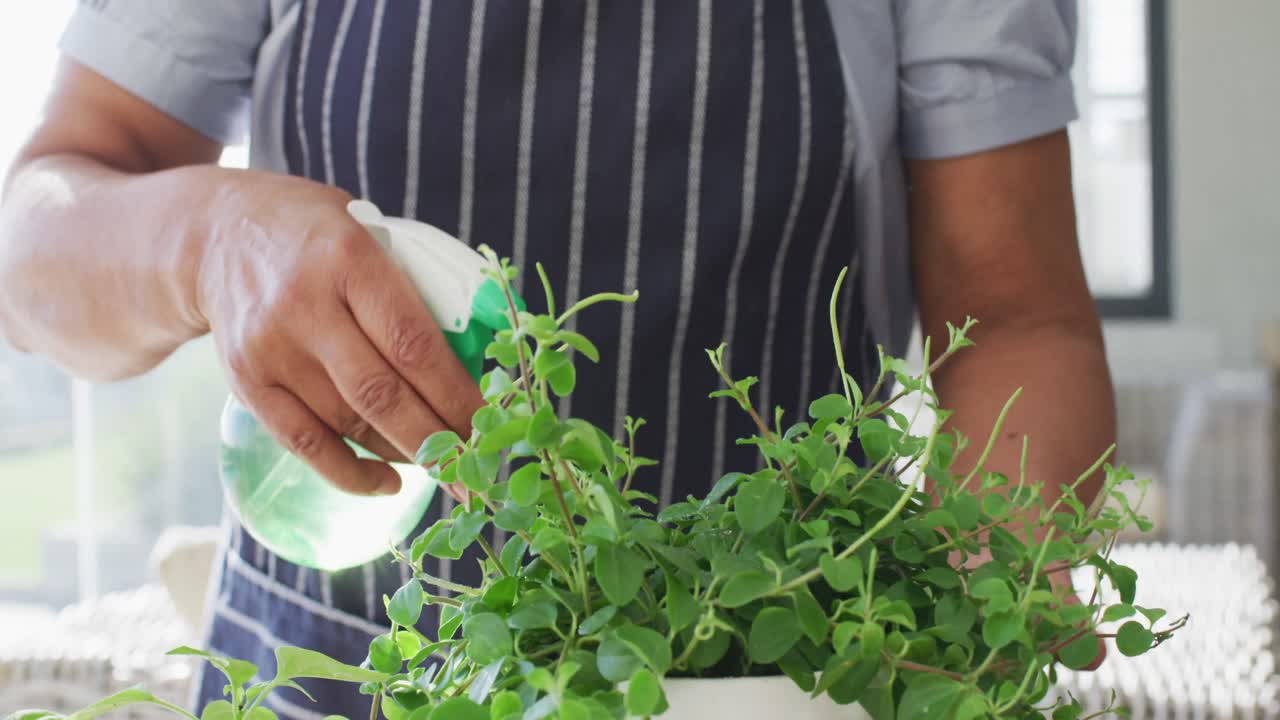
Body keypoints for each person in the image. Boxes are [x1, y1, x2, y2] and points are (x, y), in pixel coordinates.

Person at [0, 0, 1113, 714]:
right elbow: (33, 248)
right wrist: (208, 240)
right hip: (331, 682)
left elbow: (1016, 317)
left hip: (775, 682)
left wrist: (984, 586)